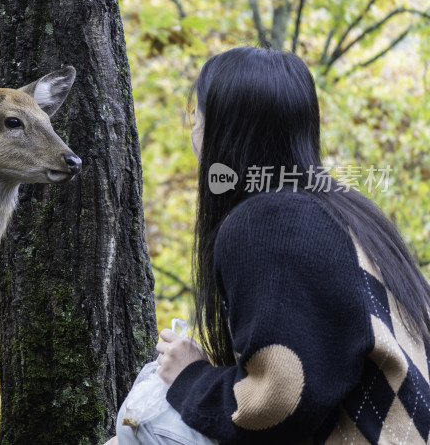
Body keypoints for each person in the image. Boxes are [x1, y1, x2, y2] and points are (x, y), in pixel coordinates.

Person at [150, 46, 430, 444]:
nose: (193, 125)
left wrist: (191, 376)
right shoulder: (351, 211)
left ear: (222, 129)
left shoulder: (271, 222)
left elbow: (280, 401)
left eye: (197, 114)